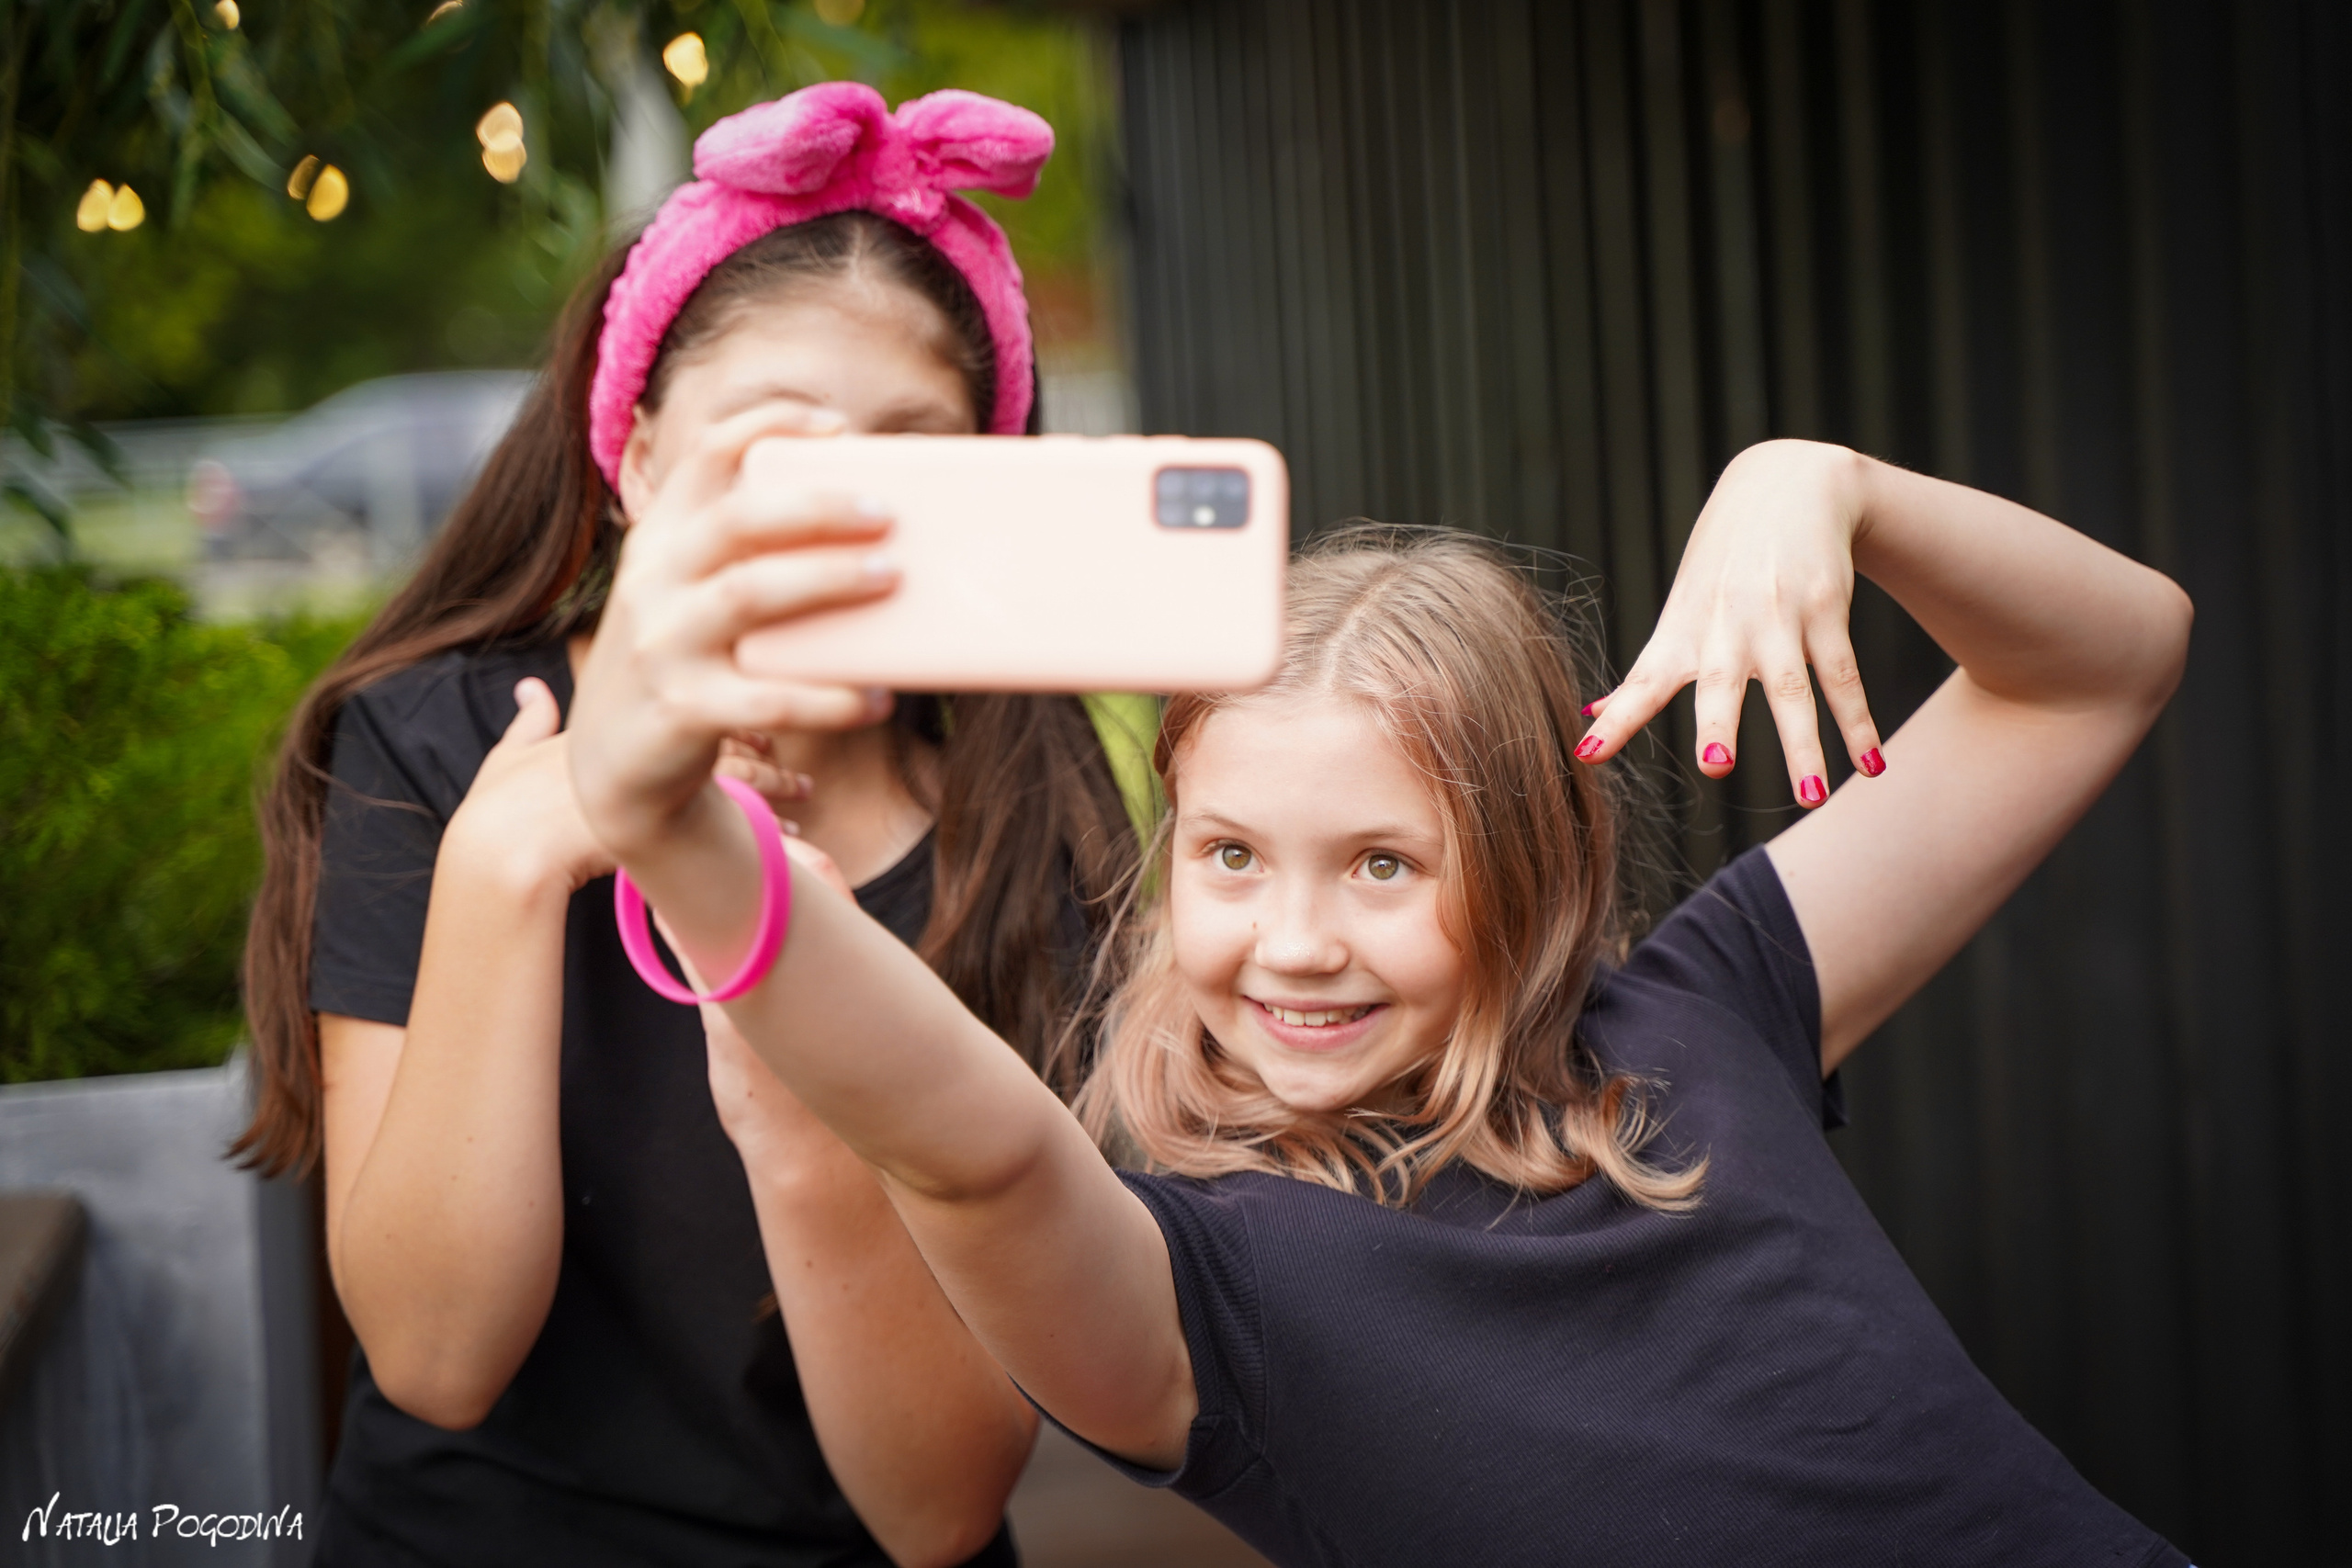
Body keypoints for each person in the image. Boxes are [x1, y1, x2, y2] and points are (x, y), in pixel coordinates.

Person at [563, 437, 2198, 1566]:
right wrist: (683, 839)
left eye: (1381, 866)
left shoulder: (1710, 999)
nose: (1292, 941)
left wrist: (1826, 485)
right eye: (1229, 854)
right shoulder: (1198, 1291)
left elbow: (2107, 661)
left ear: (1529, 862)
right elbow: (970, 1150)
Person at [236, 84, 1142, 1568]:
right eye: (773, 459)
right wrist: (512, 859)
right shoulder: (432, 742)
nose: (835, 525)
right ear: (640, 456)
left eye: (908, 464)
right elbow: (433, 1355)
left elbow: (937, 1509)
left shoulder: (1020, 836)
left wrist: (801, 1070)